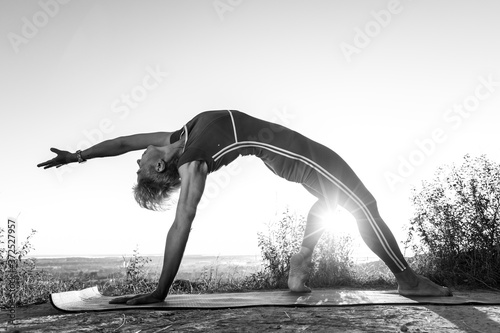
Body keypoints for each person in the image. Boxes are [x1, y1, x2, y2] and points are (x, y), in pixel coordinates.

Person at [38, 110, 452, 305]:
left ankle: (300, 259)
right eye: (141, 168)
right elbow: (182, 222)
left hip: (285, 152)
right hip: (291, 151)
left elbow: (124, 142)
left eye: (137, 165)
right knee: (363, 203)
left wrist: (78, 156)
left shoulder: (180, 134)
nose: (136, 159)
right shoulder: (192, 160)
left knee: (333, 202)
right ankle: (408, 278)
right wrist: (160, 292)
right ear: (160, 166)